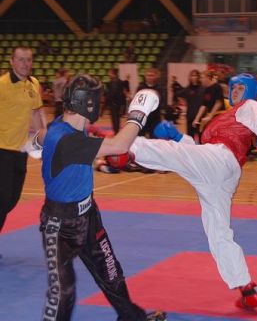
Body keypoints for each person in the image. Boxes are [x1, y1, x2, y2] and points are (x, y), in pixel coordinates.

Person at [128, 73, 257, 309]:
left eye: (240, 88)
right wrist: (178, 135)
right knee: (218, 232)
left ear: (250, 91)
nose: (235, 92)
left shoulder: (249, 106)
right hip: (219, 172)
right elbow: (200, 152)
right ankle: (247, 288)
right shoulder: (224, 116)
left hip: (222, 159)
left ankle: (127, 148)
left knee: (174, 154)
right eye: (233, 88)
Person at [32, 74, 165, 321]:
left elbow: (43, 134)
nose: (101, 103)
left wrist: (34, 142)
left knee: (111, 273)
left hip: (88, 215)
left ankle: (131, 318)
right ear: (88, 102)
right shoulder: (67, 139)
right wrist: (138, 113)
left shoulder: (65, 125)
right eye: (98, 98)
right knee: (63, 292)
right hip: (59, 226)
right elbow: (120, 146)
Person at [0, 46, 47, 239]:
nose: (25, 63)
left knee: (12, 200)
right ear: (12, 61)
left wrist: (43, 138)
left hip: (21, 151)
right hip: (2, 150)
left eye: (28, 59)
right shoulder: (2, 84)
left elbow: (36, 112)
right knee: (3, 200)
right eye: (21, 59)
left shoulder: (33, 83)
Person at [177, 69, 204, 138]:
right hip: (190, 116)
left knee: (201, 137)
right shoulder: (187, 89)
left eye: (195, 75)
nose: (194, 77)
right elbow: (178, 95)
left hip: (201, 116)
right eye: (192, 75)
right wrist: (183, 102)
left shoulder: (203, 89)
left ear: (198, 77)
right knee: (190, 137)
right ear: (190, 77)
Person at [105, 68, 127, 134]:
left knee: (115, 119)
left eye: (110, 73)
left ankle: (116, 132)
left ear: (113, 73)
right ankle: (116, 131)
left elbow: (116, 94)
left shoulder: (117, 82)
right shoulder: (113, 82)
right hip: (115, 103)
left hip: (116, 103)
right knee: (115, 119)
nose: (108, 74)